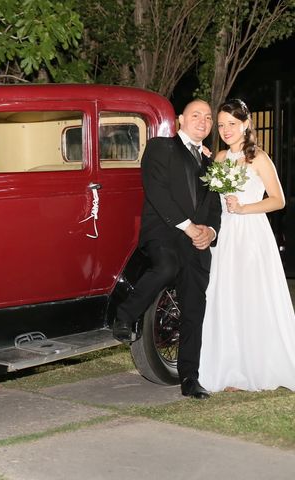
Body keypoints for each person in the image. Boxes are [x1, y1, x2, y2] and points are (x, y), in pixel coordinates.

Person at [113, 99, 222, 399]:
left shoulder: (211, 164)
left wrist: (210, 232)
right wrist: (188, 227)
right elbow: (157, 192)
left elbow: (214, 207)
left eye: (208, 118)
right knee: (166, 266)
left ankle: (189, 378)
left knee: (194, 309)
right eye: (196, 115)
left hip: (198, 241)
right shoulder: (160, 148)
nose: (203, 121)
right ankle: (124, 315)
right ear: (180, 121)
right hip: (163, 231)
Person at [199, 99, 295, 392]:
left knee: (252, 297)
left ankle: (256, 364)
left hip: (252, 234)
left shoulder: (259, 158)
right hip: (226, 236)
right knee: (226, 296)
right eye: (222, 124)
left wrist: (244, 207)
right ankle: (231, 367)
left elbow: (278, 200)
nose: (226, 129)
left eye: (232, 123)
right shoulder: (219, 158)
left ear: (245, 124)